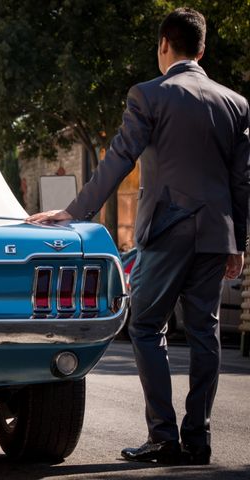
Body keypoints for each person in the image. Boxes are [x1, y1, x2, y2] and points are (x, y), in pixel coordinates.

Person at [26, 7, 250, 465]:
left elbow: (120, 158)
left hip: (168, 228)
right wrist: (239, 243)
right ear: (202, 50)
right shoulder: (236, 103)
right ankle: (198, 439)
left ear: (164, 44)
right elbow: (242, 181)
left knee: (146, 325)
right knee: (206, 332)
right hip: (216, 234)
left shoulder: (150, 94)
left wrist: (74, 211)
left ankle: (164, 437)